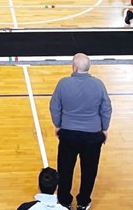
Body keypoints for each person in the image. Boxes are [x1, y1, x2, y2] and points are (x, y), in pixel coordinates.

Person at [50, 53, 111, 210]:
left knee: (65, 169)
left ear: (75, 68)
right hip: (92, 136)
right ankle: (83, 202)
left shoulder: (63, 83)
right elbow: (106, 109)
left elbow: (54, 106)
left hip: (68, 135)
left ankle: (64, 201)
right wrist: (104, 129)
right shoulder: (99, 85)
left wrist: (58, 125)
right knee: (89, 171)